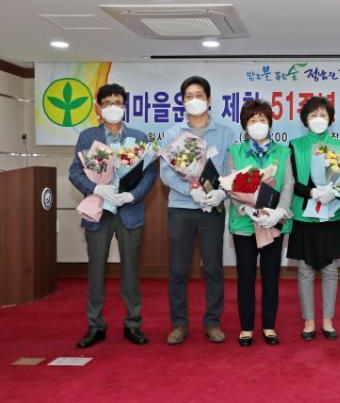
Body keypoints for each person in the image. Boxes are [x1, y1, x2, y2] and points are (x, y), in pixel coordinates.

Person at [69, 83, 156, 348]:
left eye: (117, 102)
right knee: (96, 270)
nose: (113, 107)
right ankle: (95, 325)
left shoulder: (139, 137)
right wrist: (96, 188)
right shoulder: (88, 137)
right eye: (107, 103)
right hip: (99, 210)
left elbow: (150, 173)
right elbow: (75, 172)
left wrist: (133, 195)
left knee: (130, 270)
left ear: (125, 106)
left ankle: (133, 324)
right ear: (99, 108)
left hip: (129, 211)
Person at [159, 76, 234, 345]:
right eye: (189, 96)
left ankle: (212, 322)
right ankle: (179, 323)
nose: (194, 100)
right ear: (182, 101)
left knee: (213, 267)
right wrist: (188, 190)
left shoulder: (226, 133)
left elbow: (231, 172)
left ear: (209, 99)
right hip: (181, 207)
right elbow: (166, 172)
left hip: (212, 208)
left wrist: (221, 192)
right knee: (178, 269)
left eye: (199, 95)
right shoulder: (173, 133)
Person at [227, 100, 293, 346]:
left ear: (270, 123)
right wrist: (245, 208)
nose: (258, 124)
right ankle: (246, 328)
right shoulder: (235, 152)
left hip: (273, 224)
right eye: (252, 120)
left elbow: (288, 184)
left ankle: (268, 326)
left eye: (262, 120)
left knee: (271, 277)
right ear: (245, 126)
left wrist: (280, 212)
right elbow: (231, 186)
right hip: (244, 225)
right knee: (245, 277)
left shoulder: (283, 152)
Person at [287, 96, 340, 341]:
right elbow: (289, 182)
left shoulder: (339, 147)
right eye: (313, 115)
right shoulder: (295, 145)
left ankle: (328, 320)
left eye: (323, 115)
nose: (318, 119)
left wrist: (335, 191)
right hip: (304, 214)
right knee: (305, 270)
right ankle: (309, 320)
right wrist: (311, 192)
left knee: (331, 269)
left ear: (331, 119)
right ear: (305, 120)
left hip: (331, 214)